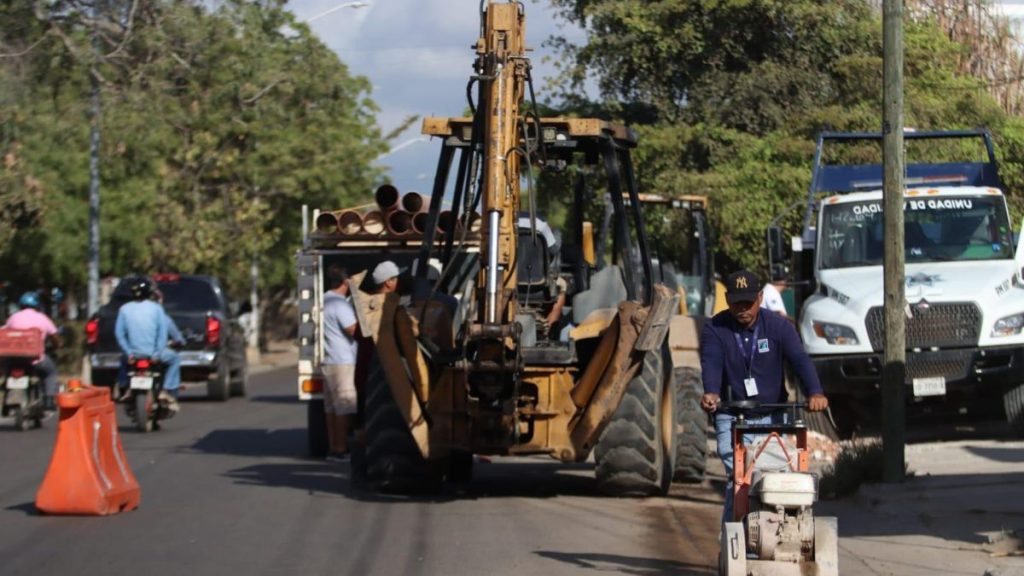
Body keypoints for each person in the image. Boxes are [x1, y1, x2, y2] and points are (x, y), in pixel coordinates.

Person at [699, 270, 828, 525]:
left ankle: (776, 531)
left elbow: (799, 360)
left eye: (748, 303)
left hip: (772, 416)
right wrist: (711, 392)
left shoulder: (779, 327)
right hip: (732, 418)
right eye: (736, 303)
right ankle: (734, 539)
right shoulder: (715, 328)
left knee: (774, 479)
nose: (742, 309)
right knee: (739, 479)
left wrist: (815, 392)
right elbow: (711, 362)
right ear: (727, 299)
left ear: (760, 298)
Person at [114, 278, 182, 407]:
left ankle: (124, 385)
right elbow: (162, 335)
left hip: (133, 355)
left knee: (123, 361)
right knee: (175, 359)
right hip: (154, 355)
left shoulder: (124, 309)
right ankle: (166, 390)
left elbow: (119, 334)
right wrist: (156, 354)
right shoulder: (156, 309)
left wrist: (129, 353)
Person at [322, 265, 359, 461]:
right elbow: (353, 330)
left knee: (331, 409)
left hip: (328, 361)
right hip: (343, 361)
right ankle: (342, 449)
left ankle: (333, 448)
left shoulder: (323, 301)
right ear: (345, 283)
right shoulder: (340, 304)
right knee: (344, 406)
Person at [3, 292, 61, 411]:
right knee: (50, 372)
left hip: (11, 358)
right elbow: (54, 336)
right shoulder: (42, 318)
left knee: (6, 373)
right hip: (35, 359)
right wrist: (57, 346)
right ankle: (49, 400)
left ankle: (5, 398)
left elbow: (4, 331)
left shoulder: (14, 317)